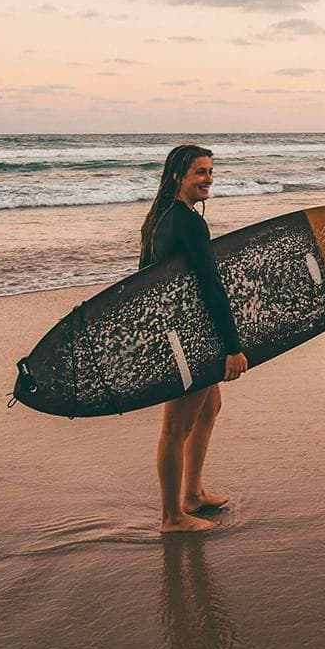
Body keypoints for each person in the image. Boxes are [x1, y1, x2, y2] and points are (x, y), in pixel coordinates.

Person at [140, 144, 248, 534]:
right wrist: (233, 346)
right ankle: (172, 517)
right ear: (177, 176)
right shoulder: (187, 222)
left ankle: (193, 494)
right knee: (175, 429)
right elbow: (210, 285)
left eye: (210, 171)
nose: (208, 179)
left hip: (182, 330)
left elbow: (147, 283)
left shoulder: (161, 219)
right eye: (199, 172)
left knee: (208, 408)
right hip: (189, 337)